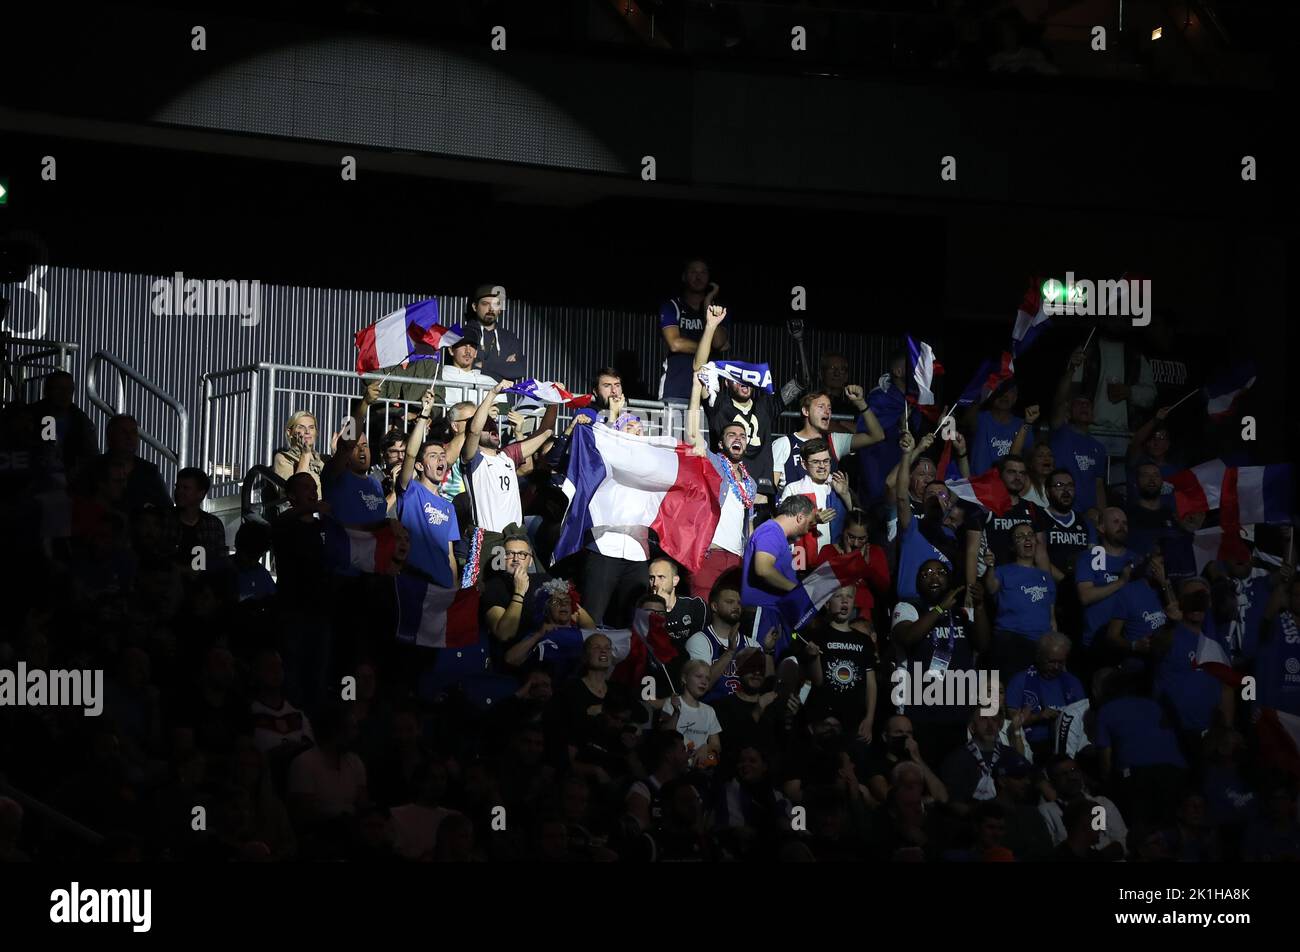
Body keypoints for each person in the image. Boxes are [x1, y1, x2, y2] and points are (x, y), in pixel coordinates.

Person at [686, 306, 757, 598]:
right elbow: (692, 434)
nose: (737, 438)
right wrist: (694, 389)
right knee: (703, 612)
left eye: (742, 435)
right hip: (709, 554)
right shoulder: (715, 463)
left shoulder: (749, 482)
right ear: (721, 443)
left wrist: (750, 562)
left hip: (737, 559)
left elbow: (749, 526)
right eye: (731, 435)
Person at [890, 559, 992, 762]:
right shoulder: (908, 607)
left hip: (959, 711)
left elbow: (983, 644)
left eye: (940, 572)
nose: (933, 577)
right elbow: (908, 637)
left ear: (950, 579)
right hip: (920, 708)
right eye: (926, 573)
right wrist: (938, 610)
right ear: (917, 583)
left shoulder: (962, 611)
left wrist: (979, 607)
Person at [460, 379, 552, 543]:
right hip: (489, 539)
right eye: (487, 427)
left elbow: (545, 432)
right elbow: (474, 430)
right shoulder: (472, 459)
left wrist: (554, 399)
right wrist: (493, 393)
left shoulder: (507, 455)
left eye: (493, 425)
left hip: (517, 538)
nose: (493, 429)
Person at [393, 388, 460, 589]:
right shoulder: (409, 490)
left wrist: (454, 587)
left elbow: (449, 555)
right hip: (413, 582)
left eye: (442, 456)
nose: (440, 459)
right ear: (420, 466)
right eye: (433, 456)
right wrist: (424, 414)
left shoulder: (449, 508)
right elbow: (411, 454)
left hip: (442, 586)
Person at [800, 584, 877, 750]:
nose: (844, 600)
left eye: (849, 597)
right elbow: (817, 681)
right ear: (827, 604)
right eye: (838, 596)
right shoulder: (818, 635)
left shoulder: (864, 641)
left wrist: (869, 718)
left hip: (854, 720)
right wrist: (813, 658)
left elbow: (870, 683)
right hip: (824, 718)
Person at [963, 454, 1050, 598]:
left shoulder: (1033, 509)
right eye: (1012, 472)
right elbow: (972, 551)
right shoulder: (984, 508)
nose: (1017, 477)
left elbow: (1041, 554)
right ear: (999, 475)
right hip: (992, 584)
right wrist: (970, 590)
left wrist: (1048, 590)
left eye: (1022, 473)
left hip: (1025, 585)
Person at [770, 389, 884, 493]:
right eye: (821, 406)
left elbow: (877, 436)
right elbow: (771, 488)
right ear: (805, 411)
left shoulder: (834, 441)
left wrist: (861, 403)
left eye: (829, 408)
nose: (827, 411)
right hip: (795, 513)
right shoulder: (783, 444)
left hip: (828, 514)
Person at [740, 495, 816, 648]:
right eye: (809, 523)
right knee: (758, 667)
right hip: (763, 615)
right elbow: (763, 569)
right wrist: (798, 591)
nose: (808, 530)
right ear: (800, 517)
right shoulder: (771, 531)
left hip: (772, 615)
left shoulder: (777, 534)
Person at [982, 523, 1056, 677]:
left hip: (1042, 645)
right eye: (1020, 537)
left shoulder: (1046, 577)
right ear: (1012, 547)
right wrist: (990, 566)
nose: (1027, 539)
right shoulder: (1003, 571)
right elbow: (991, 588)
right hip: (1012, 640)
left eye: (1030, 535)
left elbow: (1052, 618)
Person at [1004, 633, 1086, 763]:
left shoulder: (1073, 682)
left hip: (1070, 746)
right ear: (1039, 657)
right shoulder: (1020, 681)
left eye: (1061, 662)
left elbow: (1084, 716)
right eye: (1051, 661)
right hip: (1033, 747)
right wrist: (1039, 717)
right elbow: (1012, 722)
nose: (1056, 667)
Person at [1049, 348, 1109, 519]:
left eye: (1088, 405)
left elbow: (1099, 487)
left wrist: (1103, 518)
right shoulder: (1060, 431)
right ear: (1068, 412)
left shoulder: (1099, 448)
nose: (1084, 407)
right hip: (1062, 512)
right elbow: (1060, 400)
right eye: (1079, 404)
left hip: (1090, 517)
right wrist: (1071, 369)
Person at [659, 258, 728, 402]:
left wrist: (708, 302)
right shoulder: (673, 305)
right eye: (693, 272)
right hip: (676, 391)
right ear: (684, 276)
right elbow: (675, 344)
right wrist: (710, 351)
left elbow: (719, 342)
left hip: (708, 393)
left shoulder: (717, 309)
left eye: (703, 272)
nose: (698, 276)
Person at [321, 381, 386, 527]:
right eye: (355, 447)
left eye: (365, 445)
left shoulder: (375, 483)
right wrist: (364, 403)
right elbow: (346, 445)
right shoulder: (336, 475)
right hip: (345, 547)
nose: (362, 450)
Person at [780, 438, 855, 563]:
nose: (822, 466)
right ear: (804, 464)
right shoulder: (793, 489)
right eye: (816, 462)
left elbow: (855, 521)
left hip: (835, 561)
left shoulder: (839, 485)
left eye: (826, 461)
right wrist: (813, 521)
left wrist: (845, 494)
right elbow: (784, 527)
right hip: (802, 559)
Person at [1038, 755, 1127, 859]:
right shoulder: (1046, 811)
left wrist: (1099, 857)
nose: (1071, 777)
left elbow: (1124, 840)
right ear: (1052, 782)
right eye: (1063, 774)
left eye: (1073, 770)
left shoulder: (1103, 802)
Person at [684, 573, 753, 702]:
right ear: (714, 606)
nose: (736, 606)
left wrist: (768, 652)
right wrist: (730, 652)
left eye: (738, 603)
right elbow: (701, 686)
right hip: (711, 714)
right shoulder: (699, 641)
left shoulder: (751, 644)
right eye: (729, 602)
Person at [940, 712, 1028, 812]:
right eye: (983, 719)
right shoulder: (956, 759)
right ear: (972, 727)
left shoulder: (1010, 754)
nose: (990, 725)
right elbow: (953, 803)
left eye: (994, 720)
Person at [86, 414, 169, 511]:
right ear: (110, 437)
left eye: (133, 432)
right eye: (123, 432)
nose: (129, 437)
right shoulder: (94, 468)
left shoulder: (149, 471)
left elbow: (166, 508)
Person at [31, 369, 98, 482]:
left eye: (69, 390)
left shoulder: (81, 420)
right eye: (59, 389)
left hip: (72, 483)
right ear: (47, 391)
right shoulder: (31, 416)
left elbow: (91, 455)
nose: (65, 394)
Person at [964, 376, 1036, 476]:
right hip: (980, 486)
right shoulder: (980, 418)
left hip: (1010, 486)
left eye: (1010, 391)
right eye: (1000, 390)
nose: (1004, 395)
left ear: (1015, 397)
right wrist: (987, 390)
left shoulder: (1024, 424)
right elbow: (967, 419)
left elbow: (1030, 458)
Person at [659, 660, 724, 769]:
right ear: (684, 679)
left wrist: (706, 747)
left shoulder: (709, 711)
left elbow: (716, 745)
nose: (704, 682)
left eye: (707, 678)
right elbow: (665, 735)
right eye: (699, 676)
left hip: (699, 769)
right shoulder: (671, 704)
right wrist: (676, 712)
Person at [165, 467, 229, 569]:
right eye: (177, 487)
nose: (179, 492)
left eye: (186, 488)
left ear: (201, 493)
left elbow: (220, 564)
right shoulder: (164, 521)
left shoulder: (213, 525)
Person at [463, 284, 527, 381]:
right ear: (475, 307)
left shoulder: (509, 338)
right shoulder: (463, 334)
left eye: (496, 304)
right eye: (485, 304)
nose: (491, 309)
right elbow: (463, 367)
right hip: (471, 394)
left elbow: (519, 370)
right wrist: (504, 367)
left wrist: (482, 365)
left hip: (502, 395)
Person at [1125, 460, 1184, 559]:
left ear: (1162, 481)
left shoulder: (1170, 515)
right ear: (1136, 482)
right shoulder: (1127, 517)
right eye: (1145, 475)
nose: (1152, 479)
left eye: (1156, 475)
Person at [272, 410, 326, 492]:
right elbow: (296, 493)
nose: (307, 432)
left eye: (311, 427)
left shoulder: (319, 460)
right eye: (301, 427)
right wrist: (305, 454)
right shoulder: (283, 458)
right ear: (289, 433)